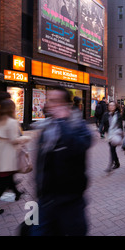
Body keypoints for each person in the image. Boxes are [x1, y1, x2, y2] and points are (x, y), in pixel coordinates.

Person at [30, 87, 92, 236]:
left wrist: (63, 123)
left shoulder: (78, 127)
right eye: (49, 100)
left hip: (70, 201)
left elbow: (79, 146)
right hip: (45, 200)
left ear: (67, 105)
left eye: (55, 101)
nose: (50, 105)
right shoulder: (46, 128)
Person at [0, 99, 31, 217]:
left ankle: (17, 194)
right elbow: (14, 140)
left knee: (6, 179)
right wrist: (26, 138)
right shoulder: (11, 122)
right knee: (3, 185)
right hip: (7, 159)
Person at [99, 101, 123, 172]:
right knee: (112, 149)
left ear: (115, 107)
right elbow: (102, 123)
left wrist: (121, 134)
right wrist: (100, 129)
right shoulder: (106, 114)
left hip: (115, 134)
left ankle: (110, 164)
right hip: (109, 134)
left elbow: (121, 125)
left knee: (112, 149)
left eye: (113, 105)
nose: (111, 107)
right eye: (110, 105)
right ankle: (117, 162)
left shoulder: (118, 115)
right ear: (108, 107)